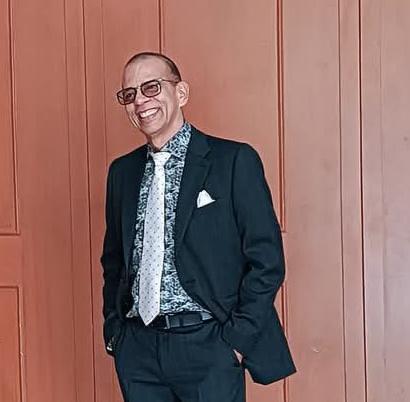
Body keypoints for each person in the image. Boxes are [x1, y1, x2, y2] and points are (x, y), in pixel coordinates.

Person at [101, 51, 296, 402]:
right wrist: (116, 333)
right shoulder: (122, 173)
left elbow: (267, 260)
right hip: (138, 351)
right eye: (129, 94)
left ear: (181, 93)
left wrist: (237, 339)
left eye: (151, 87)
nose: (140, 101)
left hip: (209, 344)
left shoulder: (233, 161)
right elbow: (114, 261)